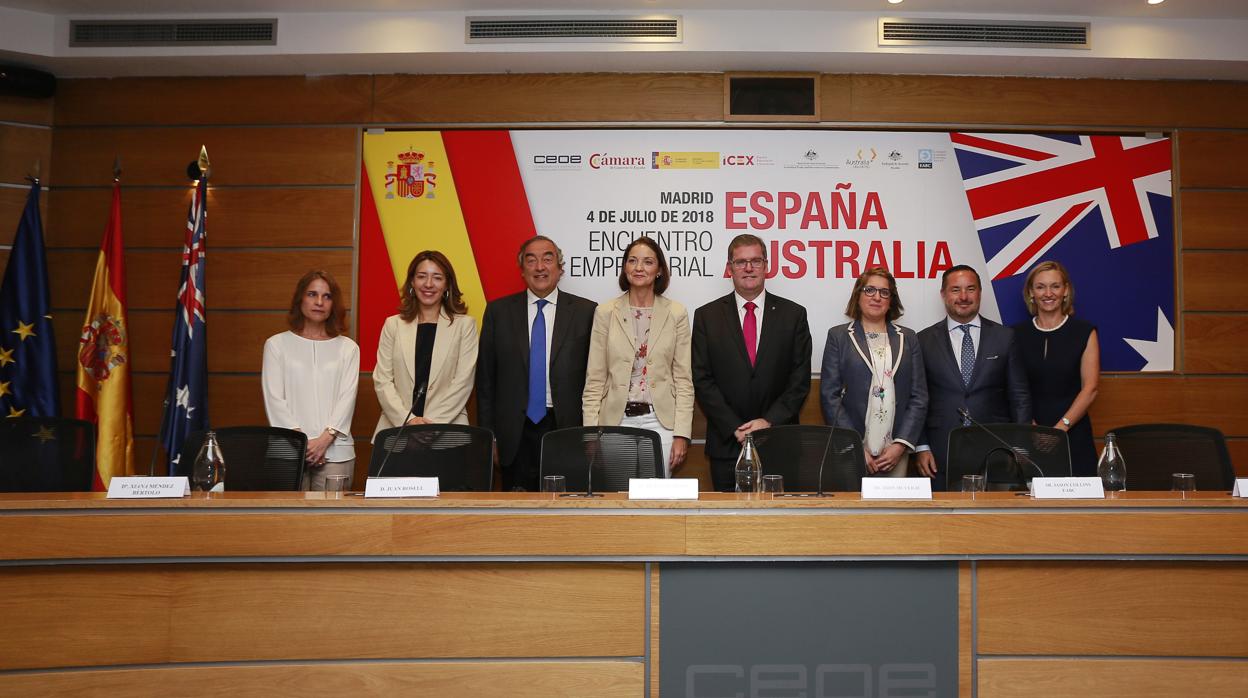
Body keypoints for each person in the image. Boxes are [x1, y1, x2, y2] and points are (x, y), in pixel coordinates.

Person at [692, 234, 812, 491]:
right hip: (727, 444)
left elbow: (799, 380)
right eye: (740, 262)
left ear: (766, 265)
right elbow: (702, 379)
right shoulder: (706, 316)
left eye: (756, 261)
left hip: (780, 441)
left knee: (779, 526)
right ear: (729, 268)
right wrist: (735, 427)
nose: (748, 268)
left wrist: (768, 422)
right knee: (729, 527)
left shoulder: (794, 315)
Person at [476, 236, 596, 491]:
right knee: (516, 518)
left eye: (548, 259)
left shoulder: (586, 312)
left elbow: (597, 378)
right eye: (531, 260)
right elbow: (486, 382)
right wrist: (490, 438)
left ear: (560, 269)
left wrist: (591, 433)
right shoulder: (498, 312)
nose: (540, 266)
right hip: (514, 433)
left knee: (565, 514)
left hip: (565, 429)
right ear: (522, 270)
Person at [583, 236, 694, 476]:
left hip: (661, 422)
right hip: (616, 420)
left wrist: (681, 434)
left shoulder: (676, 313)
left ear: (659, 271)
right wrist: (591, 433)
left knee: (658, 500)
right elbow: (595, 379)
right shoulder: (605, 313)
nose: (639, 268)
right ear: (625, 268)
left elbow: (683, 379)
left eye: (647, 262)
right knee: (618, 497)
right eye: (632, 261)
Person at [915, 265, 1031, 489]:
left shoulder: (1005, 337)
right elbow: (917, 398)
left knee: (996, 520)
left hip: (998, 450)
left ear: (980, 292)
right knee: (944, 521)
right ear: (944, 295)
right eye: (955, 290)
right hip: (940, 452)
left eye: (970, 289)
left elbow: (1020, 396)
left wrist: (1020, 445)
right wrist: (922, 447)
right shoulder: (923, 340)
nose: (964, 297)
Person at [820, 267, 927, 477]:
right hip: (852, 449)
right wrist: (855, 445)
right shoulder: (839, 337)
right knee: (852, 510)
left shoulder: (908, 338)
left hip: (895, 451)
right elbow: (829, 396)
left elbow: (919, 396)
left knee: (894, 510)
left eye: (884, 292)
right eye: (869, 290)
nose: (877, 297)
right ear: (858, 295)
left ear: (891, 300)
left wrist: (900, 445)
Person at [262, 270, 360, 491]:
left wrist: (324, 440)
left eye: (327, 296)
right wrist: (304, 444)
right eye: (312, 294)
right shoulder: (276, 345)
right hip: (288, 450)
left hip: (336, 452)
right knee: (289, 524)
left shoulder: (348, 348)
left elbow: (347, 398)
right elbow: (274, 399)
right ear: (300, 299)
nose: (319, 302)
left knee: (332, 523)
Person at [373, 251, 478, 436]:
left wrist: (431, 426)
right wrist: (410, 421)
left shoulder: (465, 325)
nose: (428, 284)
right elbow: (383, 380)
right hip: (398, 429)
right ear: (412, 282)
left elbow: (463, 382)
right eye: (422, 276)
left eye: (437, 277)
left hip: (447, 430)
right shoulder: (393, 325)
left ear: (447, 284)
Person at [1014, 260, 1100, 476]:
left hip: (1073, 433)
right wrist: (1030, 427)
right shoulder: (1015, 334)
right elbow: (1012, 387)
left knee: (1079, 507)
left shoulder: (1084, 332)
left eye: (1055, 286)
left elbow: (1090, 389)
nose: (1048, 293)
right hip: (1028, 435)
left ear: (1066, 291)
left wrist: (1061, 429)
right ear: (1031, 293)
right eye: (1040, 287)